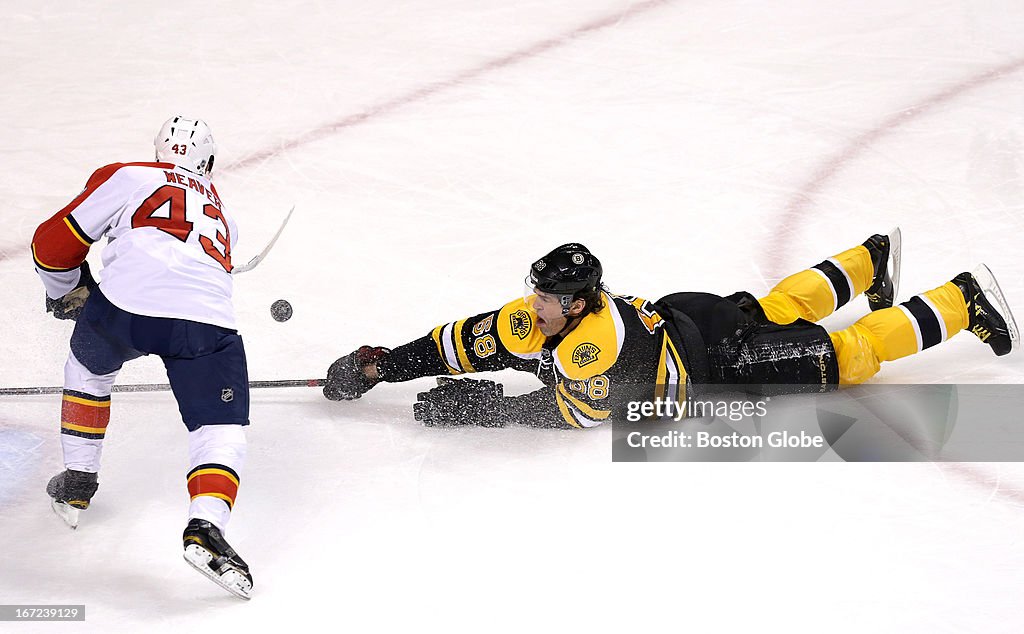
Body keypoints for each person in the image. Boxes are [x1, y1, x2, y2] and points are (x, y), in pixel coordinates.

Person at [322, 231, 1018, 429]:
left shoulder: (597, 349)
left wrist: (485, 410)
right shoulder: (543, 315)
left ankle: (963, 301)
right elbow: (457, 341)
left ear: (578, 303)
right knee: (779, 305)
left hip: (722, 360)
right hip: (690, 315)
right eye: (535, 291)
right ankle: (868, 259)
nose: (533, 306)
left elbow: (575, 413)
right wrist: (382, 364)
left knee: (847, 356)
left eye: (548, 297)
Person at [31, 116, 253, 599]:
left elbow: (50, 246)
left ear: (158, 153)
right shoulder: (225, 216)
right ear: (208, 165)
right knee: (219, 429)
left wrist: (65, 291)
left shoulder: (130, 175)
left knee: (88, 370)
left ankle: (77, 481)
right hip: (206, 325)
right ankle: (206, 528)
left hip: (125, 312)